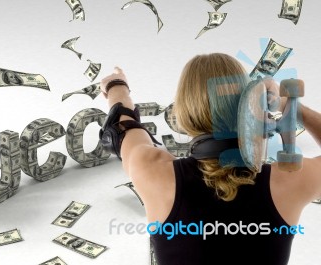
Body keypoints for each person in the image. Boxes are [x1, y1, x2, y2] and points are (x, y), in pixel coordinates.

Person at [100, 53, 321, 265]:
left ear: (183, 111)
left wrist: (116, 86)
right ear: (247, 104)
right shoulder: (289, 181)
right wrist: (287, 105)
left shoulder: (152, 170)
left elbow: (122, 125)